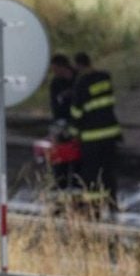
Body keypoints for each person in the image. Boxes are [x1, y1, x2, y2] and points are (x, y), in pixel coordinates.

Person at [71, 52, 124, 215]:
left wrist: (72, 133)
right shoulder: (105, 77)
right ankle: (112, 203)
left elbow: (76, 112)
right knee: (109, 171)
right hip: (110, 133)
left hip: (91, 137)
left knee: (91, 173)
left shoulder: (81, 83)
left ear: (78, 65)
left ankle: (94, 208)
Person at [46, 54, 79, 192]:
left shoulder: (79, 78)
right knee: (61, 155)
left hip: (79, 122)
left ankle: (77, 182)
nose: (55, 73)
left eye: (56, 69)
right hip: (63, 122)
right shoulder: (56, 83)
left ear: (63, 66)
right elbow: (55, 107)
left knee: (78, 155)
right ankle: (61, 182)